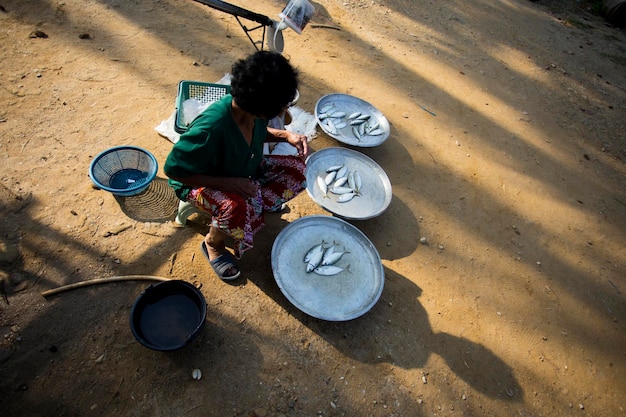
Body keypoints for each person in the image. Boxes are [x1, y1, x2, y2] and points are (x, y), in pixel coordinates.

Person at [164, 51, 310, 281]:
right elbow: (174, 170)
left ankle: (258, 204)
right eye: (280, 107)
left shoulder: (251, 111)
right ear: (262, 107)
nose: (282, 111)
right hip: (197, 182)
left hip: (242, 167)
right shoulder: (211, 127)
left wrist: (285, 135)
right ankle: (213, 243)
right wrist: (232, 183)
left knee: (296, 170)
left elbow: (258, 133)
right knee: (234, 206)